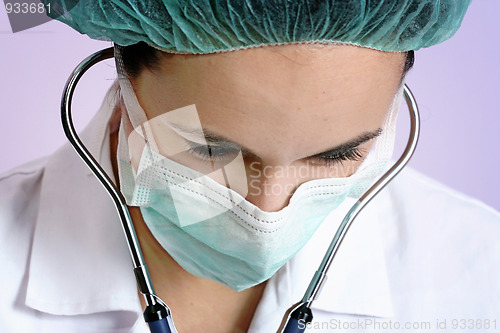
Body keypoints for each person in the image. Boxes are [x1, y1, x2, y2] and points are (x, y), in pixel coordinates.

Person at [1, 1, 499, 332]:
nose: (267, 210)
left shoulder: (481, 272)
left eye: (337, 155)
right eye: (212, 151)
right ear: (124, 81)